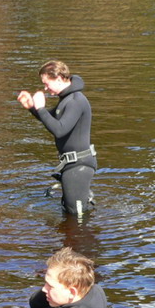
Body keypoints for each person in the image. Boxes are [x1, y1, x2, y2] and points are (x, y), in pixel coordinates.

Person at [17, 60, 97, 215]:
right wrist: (32, 107)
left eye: (47, 84)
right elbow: (50, 119)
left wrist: (41, 108)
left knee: (76, 216)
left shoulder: (76, 101)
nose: (45, 89)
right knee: (70, 212)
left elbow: (59, 130)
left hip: (79, 166)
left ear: (59, 78)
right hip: (72, 165)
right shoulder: (66, 100)